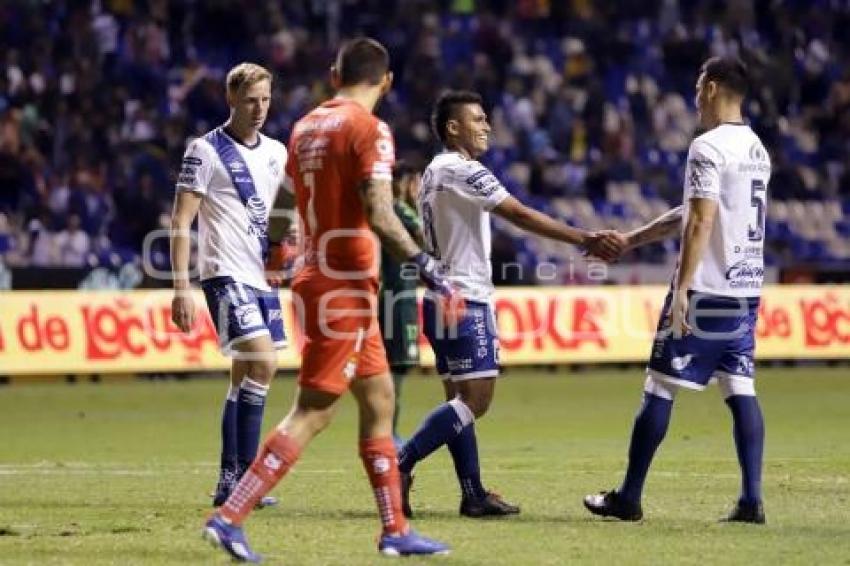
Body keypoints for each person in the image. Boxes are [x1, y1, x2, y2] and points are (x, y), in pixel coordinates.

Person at [202, 38, 457, 562]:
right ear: (386, 81)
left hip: (323, 277)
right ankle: (229, 518)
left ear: (334, 72)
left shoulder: (305, 126)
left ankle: (395, 529)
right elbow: (381, 213)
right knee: (313, 409)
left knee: (379, 399)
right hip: (342, 284)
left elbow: (284, 201)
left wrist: (275, 251)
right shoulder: (370, 130)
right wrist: (425, 264)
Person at [398, 90, 624, 519]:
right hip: (465, 299)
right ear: (453, 128)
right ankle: (400, 463)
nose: (486, 126)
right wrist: (584, 239)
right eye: (477, 119)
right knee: (476, 402)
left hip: (440, 296)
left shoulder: (433, 171)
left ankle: (473, 493)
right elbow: (518, 213)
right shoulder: (463, 168)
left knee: (458, 403)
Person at [584, 56, 771, 524]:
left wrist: (683, 287)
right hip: (745, 291)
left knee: (659, 386)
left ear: (710, 88)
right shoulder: (756, 148)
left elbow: (701, 221)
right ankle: (751, 500)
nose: (693, 97)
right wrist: (631, 239)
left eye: (696, 87)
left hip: (706, 290)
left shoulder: (706, 147)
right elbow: (693, 211)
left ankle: (628, 497)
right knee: (740, 385)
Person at [170, 63, 287, 509]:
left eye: (265, 99)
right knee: (265, 363)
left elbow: (282, 214)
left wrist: (288, 241)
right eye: (250, 100)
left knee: (243, 380)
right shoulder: (205, 150)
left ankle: (230, 481)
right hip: (223, 274)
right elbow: (181, 220)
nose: (259, 109)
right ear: (231, 100)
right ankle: (249, 481)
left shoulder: (276, 151)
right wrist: (182, 287)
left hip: (262, 279)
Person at [377, 161, 425, 444]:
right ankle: (388, 433)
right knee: (396, 366)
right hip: (397, 297)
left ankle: (387, 432)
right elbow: (428, 241)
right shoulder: (398, 209)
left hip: (396, 294)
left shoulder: (389, 210)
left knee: (395, 367)